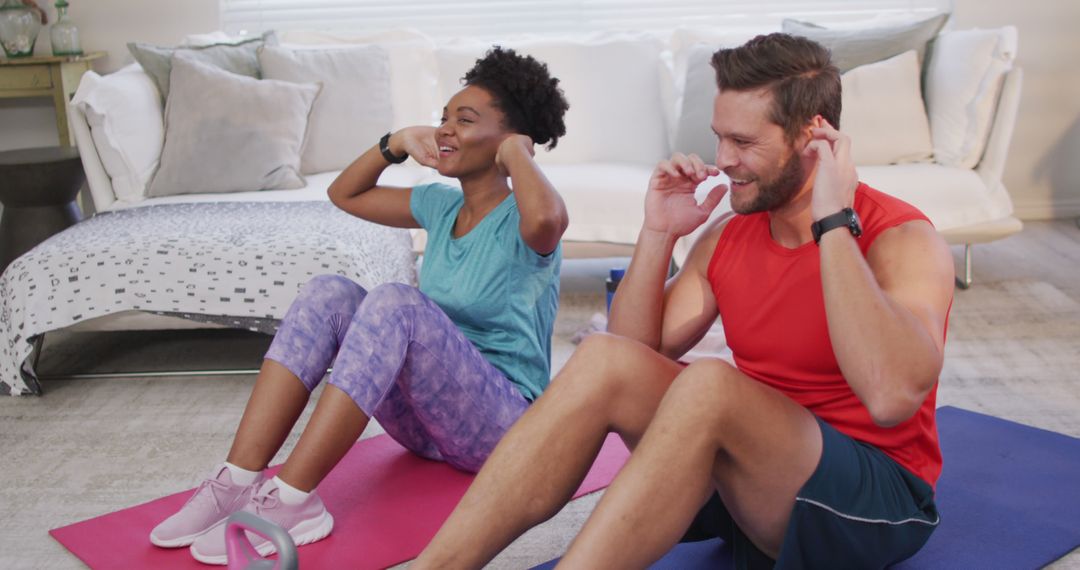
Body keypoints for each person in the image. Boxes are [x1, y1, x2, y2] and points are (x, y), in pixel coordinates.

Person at [413, 33, 955, 569]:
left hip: (870, 506)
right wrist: (658, 233)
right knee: (604, 357)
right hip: (748, 487)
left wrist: (832, 222)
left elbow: (890, 397)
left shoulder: (902, 239)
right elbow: (626, 360)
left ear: (814, 137)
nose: (723, 160)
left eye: (744, 143)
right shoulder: (730, 236)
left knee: (709, 382)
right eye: (719, 137)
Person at [148, 46, 570, 564]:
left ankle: (293, 500)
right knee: (328, 292)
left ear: (510, 138)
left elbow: (550, 220)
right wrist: (394, 143)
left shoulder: (528, 218)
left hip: (504, 429)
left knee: (397, 301)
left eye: (464, 119)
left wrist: (517, 157)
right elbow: (345, 194)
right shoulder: (441, 205)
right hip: (427, 426)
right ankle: (236, 481)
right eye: (443, 118)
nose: (444, 130)